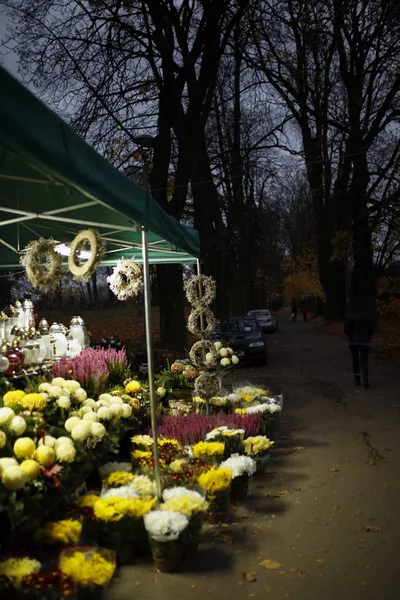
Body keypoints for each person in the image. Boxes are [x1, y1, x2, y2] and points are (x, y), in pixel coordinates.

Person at [344, 298, 373, 388]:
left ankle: (357, 379)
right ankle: (365, 376)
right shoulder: (366, 314)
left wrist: (350, 335)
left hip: (354, 341)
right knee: (364, 360)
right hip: (365, 341)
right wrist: (368, 336)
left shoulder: (349, 315)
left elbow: (346, 329)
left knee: (355, 360)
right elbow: (371, 328)